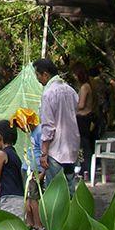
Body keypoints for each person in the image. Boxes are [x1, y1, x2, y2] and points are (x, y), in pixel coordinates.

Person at [33, 58, 80, 195]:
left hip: (56, 150)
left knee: (55, 192)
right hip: (71, 147)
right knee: (69, 188)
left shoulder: (49, 94)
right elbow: (75, 112)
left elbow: (48, 127)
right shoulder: (71, 91)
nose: (38, 79)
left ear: (45, 75)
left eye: (38, 75)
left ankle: (57, 217)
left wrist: (44, 153)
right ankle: (71, 215)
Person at [72, 63, 96, 178]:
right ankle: (83, 167)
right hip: (84, 118)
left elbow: (81, 105)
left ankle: (87, 168)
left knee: (84, 145)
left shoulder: (84, 87)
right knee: (82, 145)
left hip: (83, 118)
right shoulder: (87, 85)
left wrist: (71, 105)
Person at [22, 123, 46, 230]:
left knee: (34, 198)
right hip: (28, 168)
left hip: (35, 170)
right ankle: (29, 223)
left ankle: (38, 225)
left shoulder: (40, 131)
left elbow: (44, 152)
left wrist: (43, 172)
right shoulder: (31, 132)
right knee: (27, 197)